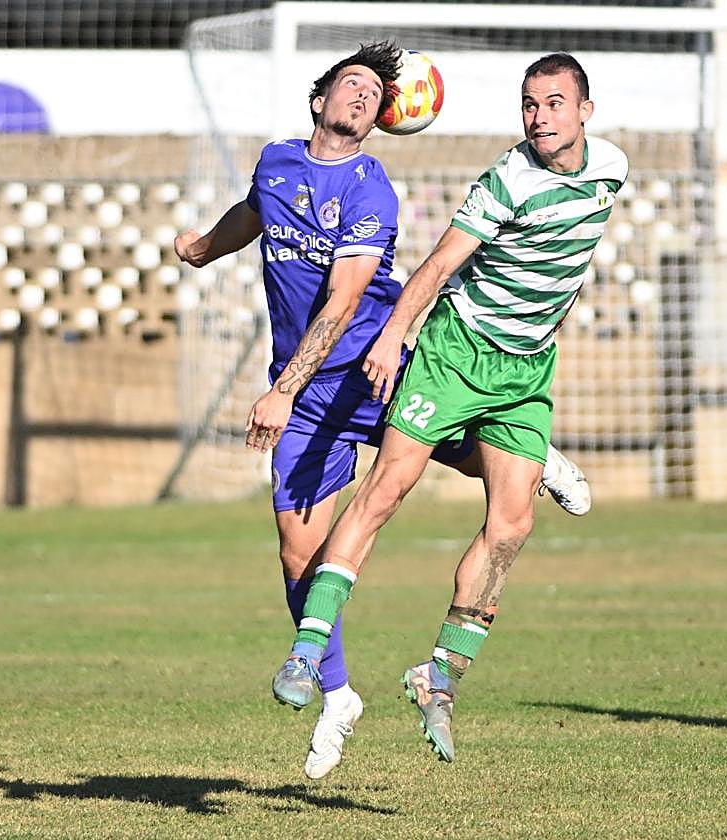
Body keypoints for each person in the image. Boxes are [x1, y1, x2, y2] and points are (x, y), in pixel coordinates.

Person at [174, 42, 590, 780]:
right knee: (298, 554)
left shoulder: (371, 189)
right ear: (319, 101)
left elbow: (340, 304)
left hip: (370, 367)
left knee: (426, 454)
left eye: (375, 92)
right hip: (303, 397)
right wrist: (207, 247)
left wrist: (282, 389)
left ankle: (535, 457)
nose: (363, 95)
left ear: (386, 120)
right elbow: (256, 212)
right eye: (351, 83)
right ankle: (336, 695)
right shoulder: (276, 161)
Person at [270, 52, 628, 763]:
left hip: (526, 371)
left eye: (554, 103)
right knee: (386, 490)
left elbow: (568, 260)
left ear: (586, 110)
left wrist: (542, 319)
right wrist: (398, 332)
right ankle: (307, 653)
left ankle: (439, 676)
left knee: (513, 525)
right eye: (529, 104)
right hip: (457, 353)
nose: (539, 117)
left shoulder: (612, 168)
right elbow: (436, 265)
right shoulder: (505, 182)